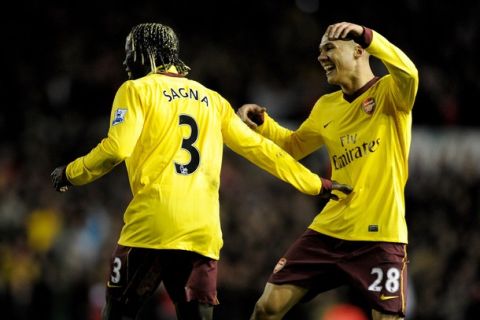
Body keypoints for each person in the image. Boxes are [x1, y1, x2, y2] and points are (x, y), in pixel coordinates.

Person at [50, 23, 352, 320]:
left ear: (147, 53)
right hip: (202, 233)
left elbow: (116, 149)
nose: (127, 60)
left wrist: (70, 173)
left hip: (152, 226)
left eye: (131, 52)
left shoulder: (136, 90)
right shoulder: (213, 100)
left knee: (118, 313)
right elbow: (260, 149)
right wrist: (315, 183)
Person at [237, 22, 418, 320]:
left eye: (329, 48)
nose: (321, 57)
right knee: (266, 308)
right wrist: (264, 125)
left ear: (359, 51)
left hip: (380, 234)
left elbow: (409, 72)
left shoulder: (390, 93)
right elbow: (294, 146)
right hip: (329, 229)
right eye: (320, 51)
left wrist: (369, 35)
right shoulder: (326, 106)